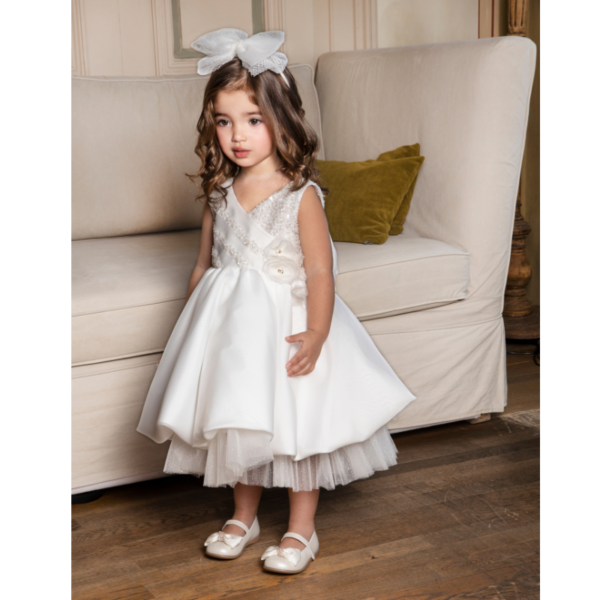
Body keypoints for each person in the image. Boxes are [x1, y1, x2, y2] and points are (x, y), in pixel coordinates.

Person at [136, 28, 417, 575]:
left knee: (295, 428)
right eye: (224, 121)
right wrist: (191, 327)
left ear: (282, 120)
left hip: (287, 327)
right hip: (232, 336)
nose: (236, 136)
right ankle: (243, 517)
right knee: (239, 422)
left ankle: (301, 528)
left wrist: (317, 332)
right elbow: (204, 265)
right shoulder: (220, 193)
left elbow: (320, 269)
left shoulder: (299, 194)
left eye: (252, 120)